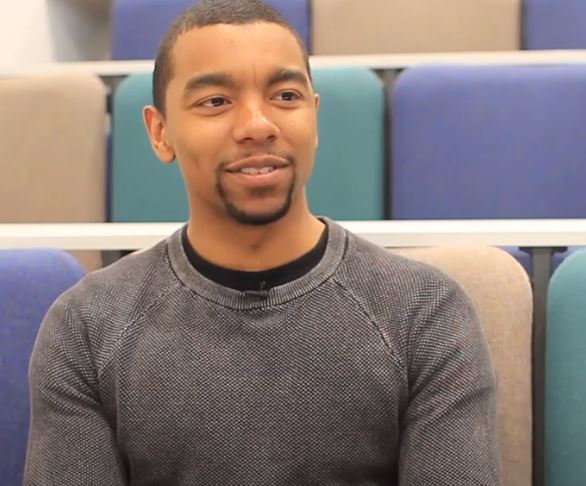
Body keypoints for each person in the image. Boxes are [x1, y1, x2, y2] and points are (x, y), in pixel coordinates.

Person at [24, 0, 500, 484]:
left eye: (285, 96)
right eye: (216, 101)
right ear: (160, 132)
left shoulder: (425, 313)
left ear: (314, 117)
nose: (257, 125)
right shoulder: (87, 328)